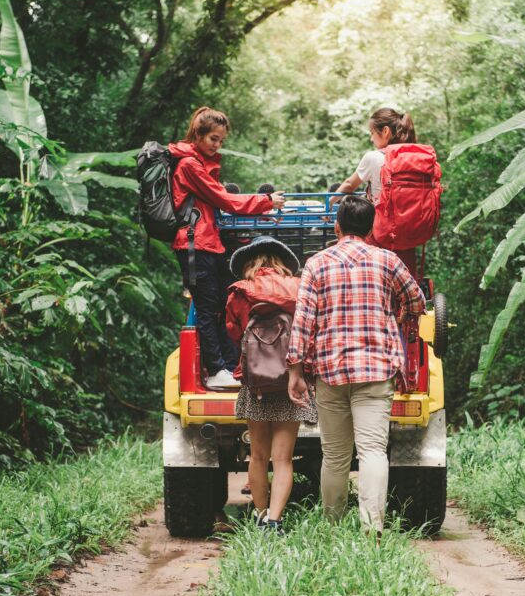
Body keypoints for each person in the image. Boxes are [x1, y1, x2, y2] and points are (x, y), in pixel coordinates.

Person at [286, 196, 426, 533]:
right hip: (377, 370)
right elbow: (418, 301)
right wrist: (397, 310)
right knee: (373, 450)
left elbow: (303, 319)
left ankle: (333, 526)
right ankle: (372, 527)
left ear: (337, 227)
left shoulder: (317, 263)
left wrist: (295, 370)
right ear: (372, 227)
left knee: (334, 455)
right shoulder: (387, 261)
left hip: (330, 372)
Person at [170, 107, 286, 389]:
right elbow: (225, 199)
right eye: (213, 138)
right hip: (195, 244)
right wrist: (266, 201)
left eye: (221, 140)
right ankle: (215, 370)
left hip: (207, 242)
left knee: (221, 303)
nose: (217, 145)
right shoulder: (189, 166)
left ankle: (227, 365)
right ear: (197, 134)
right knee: (207, 308)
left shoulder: (197, 163)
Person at [226, 236, 317, 532]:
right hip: (291, 380)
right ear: (281, 262)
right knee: (283, 459)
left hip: (256, 384)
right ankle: (276, 521)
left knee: (258, 455)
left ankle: (260, 514)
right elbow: (308, 330)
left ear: (250, 262)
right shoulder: (297, 287)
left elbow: (234, 332)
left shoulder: (241, 291)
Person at [330, 107, 419, 274]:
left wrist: (330, 201)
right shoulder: (414, 159)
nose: (371, 138)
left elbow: (350, 184)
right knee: (406, 281)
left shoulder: (374, 157)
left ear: (385, 131)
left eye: (372, 132)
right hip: (409, 234)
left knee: (375, 280)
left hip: (381, 234)